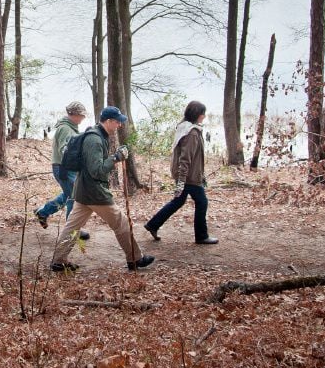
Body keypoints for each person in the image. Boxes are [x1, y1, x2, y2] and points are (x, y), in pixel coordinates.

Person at [49, 106, 154, 272]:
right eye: (118, 122)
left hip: (84, 191)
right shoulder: (95, 140)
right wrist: (115, 158)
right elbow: (96, 170)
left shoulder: (98, 135)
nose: (119, 125)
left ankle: (58, 260)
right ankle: (135, 258)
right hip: (94, 192)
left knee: (72, 227)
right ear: (109, 121)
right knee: (121, 223)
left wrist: (114, 156)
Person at [143, 100, 218, 244]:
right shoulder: (192, 133)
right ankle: (202, 236)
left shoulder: (185, 128)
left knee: (178, 201)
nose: (205, 116)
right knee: (202, 202)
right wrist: (182, 180)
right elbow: (185, 159)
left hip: (186, 175)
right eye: (203, 113)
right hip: (188, 177)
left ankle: (153, 224)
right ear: (198, 115)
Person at [33, 101, 89, 240]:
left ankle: (43, 212)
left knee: (68, 194)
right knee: (74, 197)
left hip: (66, 167)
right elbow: (65, 149)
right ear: (74, 114)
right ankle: (72, 230)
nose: (83, 118)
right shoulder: (65, 128)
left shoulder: (71, 127)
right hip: (63, 168)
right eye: (82, 115)